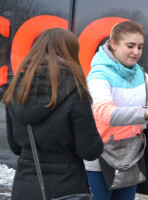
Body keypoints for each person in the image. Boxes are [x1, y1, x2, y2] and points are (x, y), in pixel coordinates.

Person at [3, 28, 104, 199]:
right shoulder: (75, 91)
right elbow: (90, 150)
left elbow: (15, 147)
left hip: (24, 188)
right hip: (66, 189)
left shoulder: (15, 90)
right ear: (71, 53)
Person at [85, 20, 148, 200]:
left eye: (140, 47)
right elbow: (104, 113)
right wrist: (147, 111)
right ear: (114, 44)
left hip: (131, 157)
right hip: (101, 161)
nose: (136, 52)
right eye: (130, 46)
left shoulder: (138, 71)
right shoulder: (99, 75)